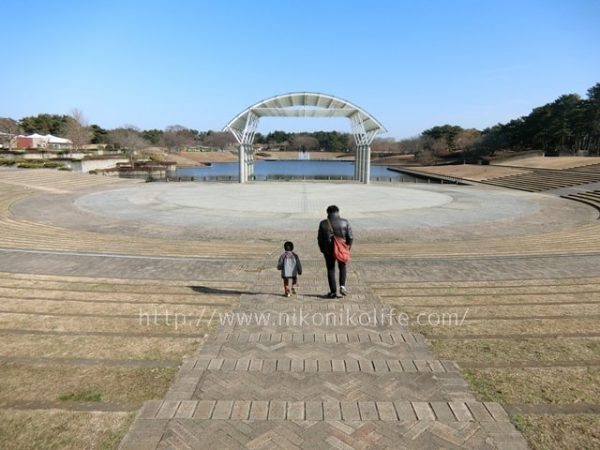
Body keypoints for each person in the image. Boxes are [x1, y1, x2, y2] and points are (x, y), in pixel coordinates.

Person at [317, 205, 353, 298]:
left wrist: (323, 249)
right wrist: (347, 248)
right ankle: (342, 286)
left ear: (328, 213)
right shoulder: (345, 222)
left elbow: (320, 239)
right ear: (338, 212)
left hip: (328, 250)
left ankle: (333, 292)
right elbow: (350, 237)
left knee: (331, 270)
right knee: (342, 267)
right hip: (342, 249)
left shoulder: (323, 223)